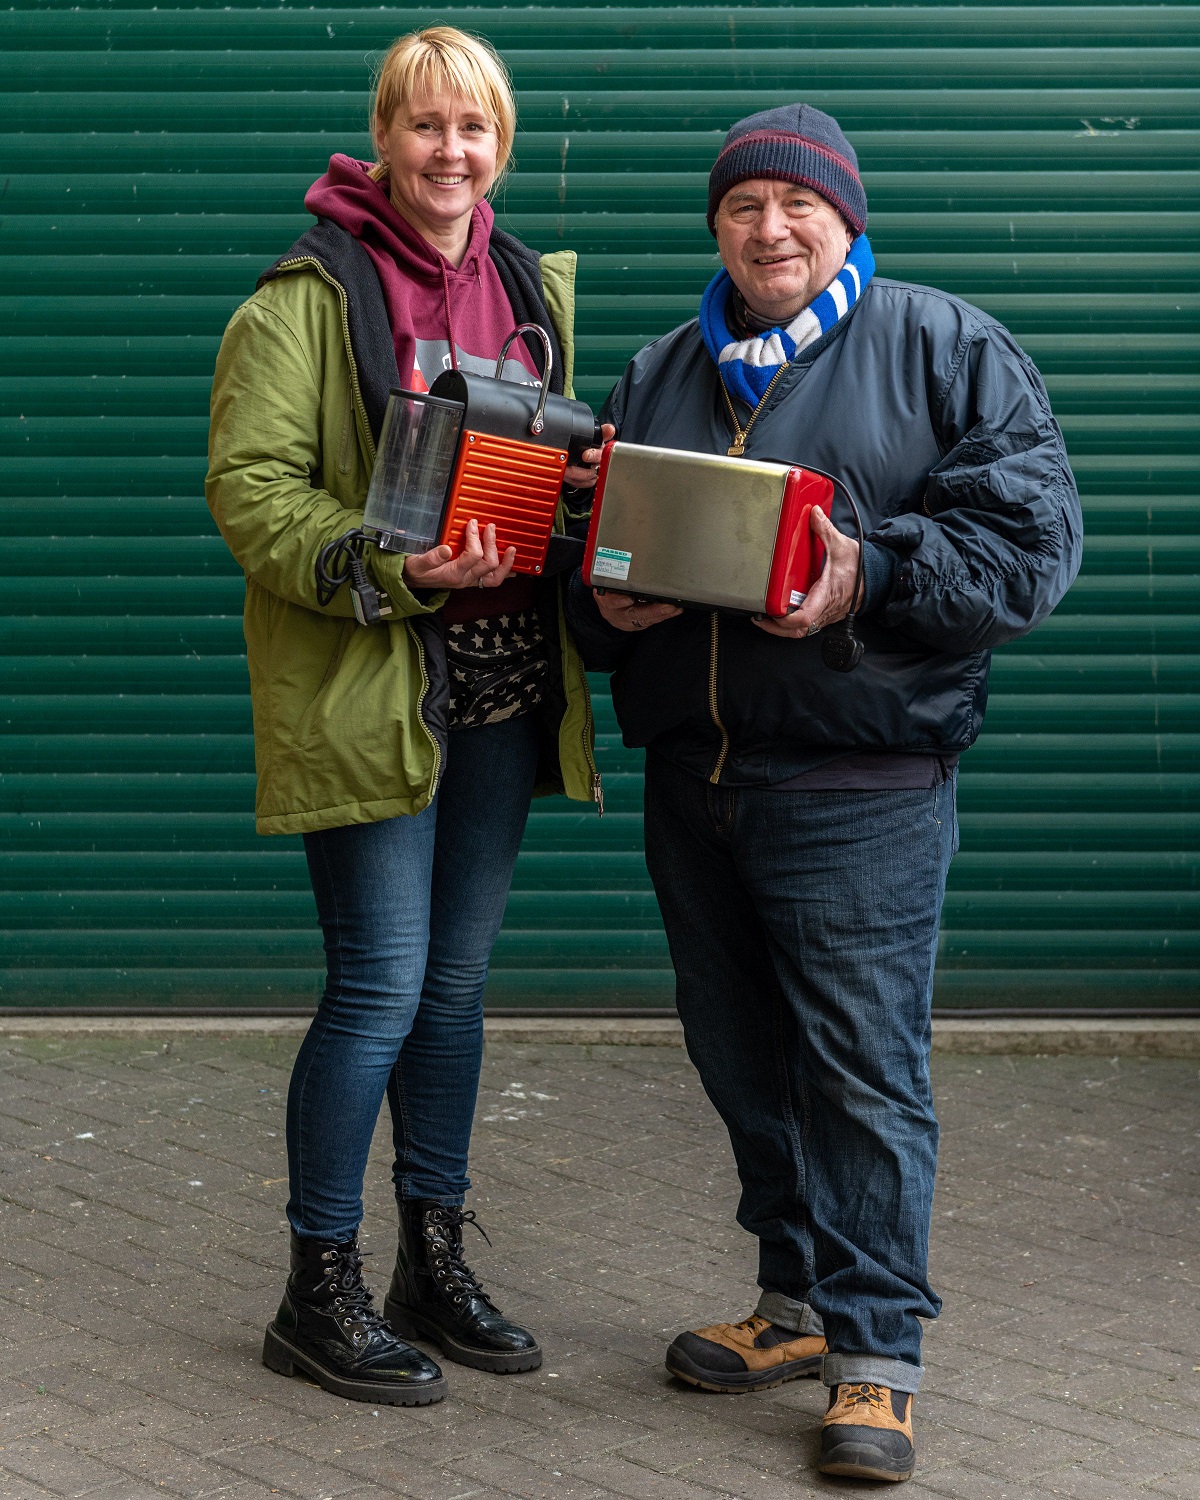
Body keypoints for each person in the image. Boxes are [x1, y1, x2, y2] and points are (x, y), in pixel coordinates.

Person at [567, 105, 1082, 1481]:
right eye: (745, 206)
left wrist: (869, 572)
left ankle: (877, 1357)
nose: (771, 229)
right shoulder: (661, 369)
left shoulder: (946, 347)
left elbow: (1031, 548)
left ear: (846, 223)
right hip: (696, 777)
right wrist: (606, 607)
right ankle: (793, 1302)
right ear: (717, 227)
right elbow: (585, 559)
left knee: (861, 1074)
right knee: (740, 1058)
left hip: (859, 785)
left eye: (800, 205)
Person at [206, 26, 606, 1407]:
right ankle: (318, 1288)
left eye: (474, 128)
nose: (451, 151)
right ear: (383, 137)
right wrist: (394, 565)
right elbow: (252, 490)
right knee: (379, 984)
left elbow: (542, 464)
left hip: (502, 681)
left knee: (453, 990)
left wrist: (584, 492)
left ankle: (432, 1259)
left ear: (501, 145)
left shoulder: (529, 284)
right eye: (425, 125)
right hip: (375, 680)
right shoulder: (306, 295)